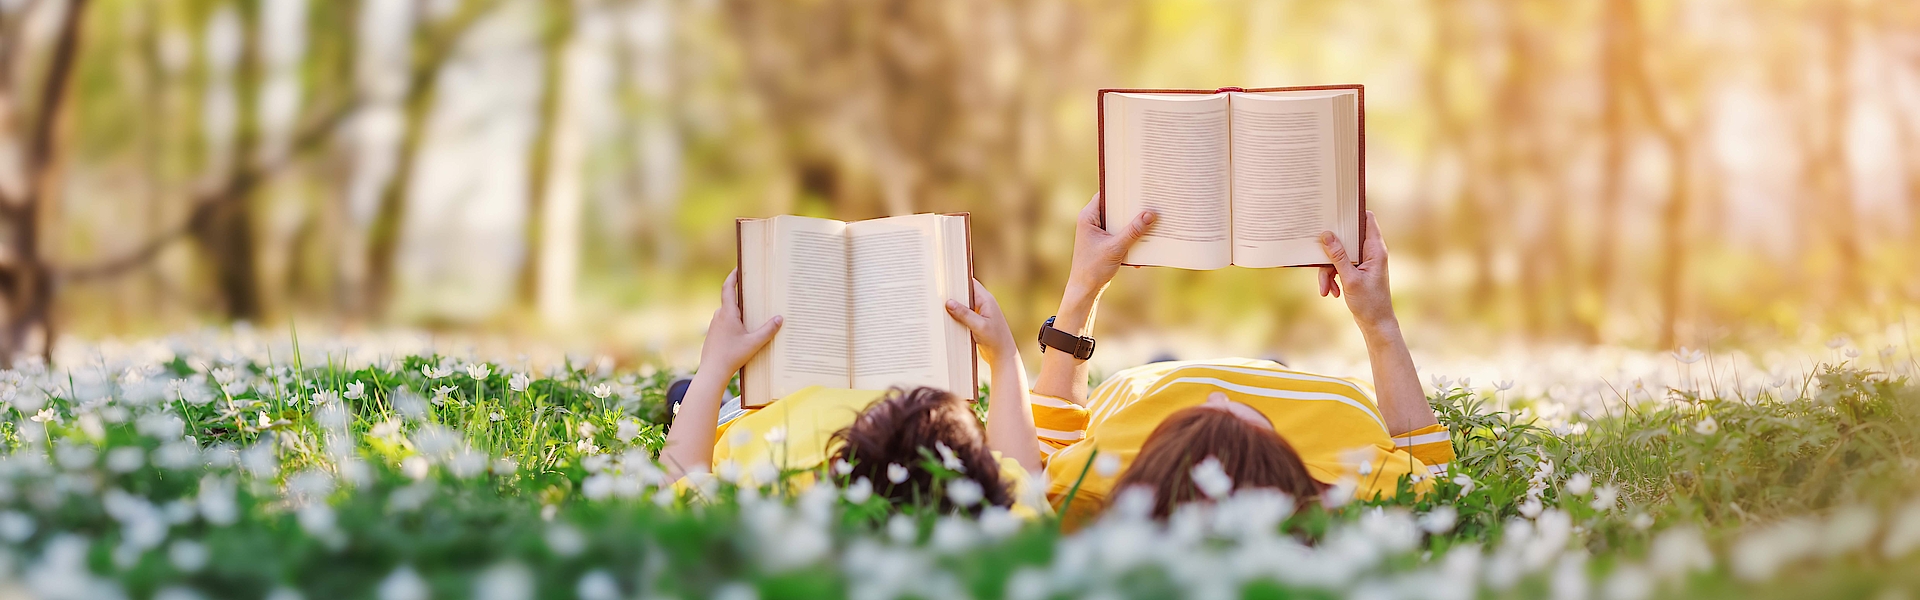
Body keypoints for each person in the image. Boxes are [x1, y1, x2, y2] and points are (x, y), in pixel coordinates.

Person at [1029, 195, 1455, 525]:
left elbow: (1046, 441)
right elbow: (1434, 473)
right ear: (1282, 469)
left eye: (1191, 422)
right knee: (1275, 365)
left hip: (1148, 384)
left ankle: (1166, 364)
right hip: (1308, 393)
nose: (1216, 397)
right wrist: (1378, 321)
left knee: (1160, 363)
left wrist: (1084, 285)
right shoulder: (1363, 492)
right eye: (1240, 417)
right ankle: (1273, 368)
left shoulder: (1093, 490)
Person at [658, 271, 1045, 515]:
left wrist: (714, 366)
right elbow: (1022, 474)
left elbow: (677, 480)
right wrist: (1004, 356)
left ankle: (686, 392)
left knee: (691, 396)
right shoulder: (990, 505)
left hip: (759, 417)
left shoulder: (778, 504)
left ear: (837, 468)